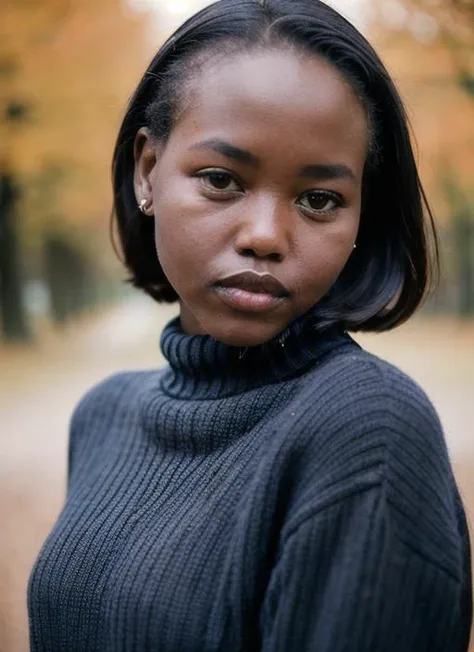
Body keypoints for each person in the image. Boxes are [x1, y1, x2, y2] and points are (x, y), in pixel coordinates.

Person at [28, 0, 472, 650]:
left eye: (319, 200)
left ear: (360, 217)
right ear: (148, 170)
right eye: (221, 180)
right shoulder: (103, 417)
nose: (265, 236)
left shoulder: (366, 433)